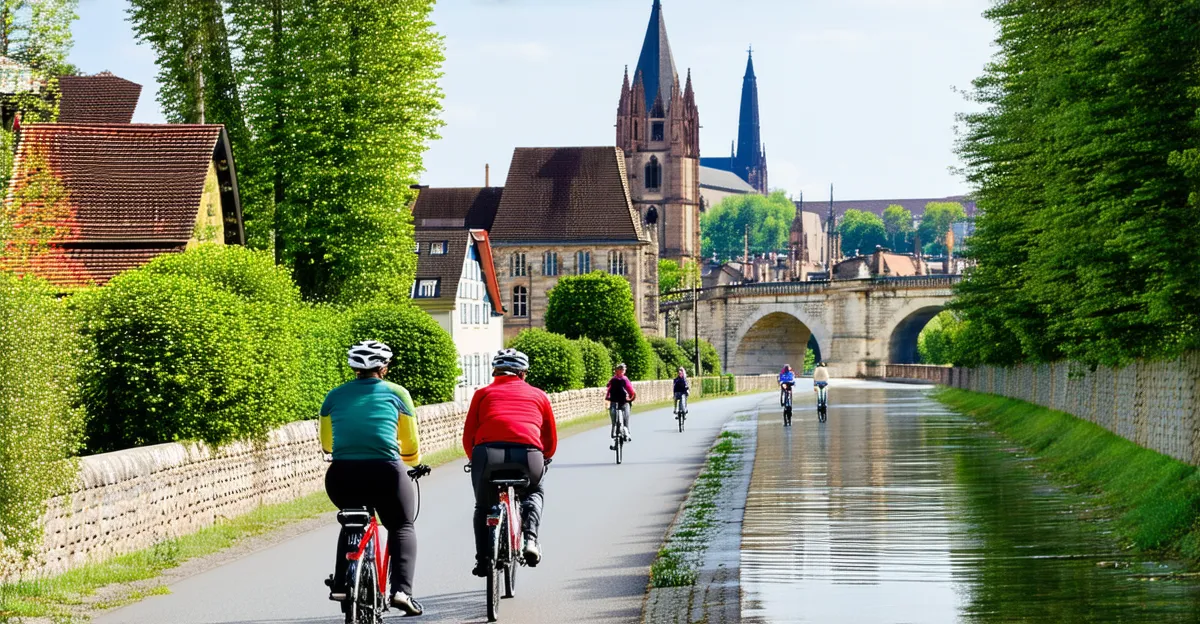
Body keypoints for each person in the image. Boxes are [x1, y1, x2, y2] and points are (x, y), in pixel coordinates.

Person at [320, 340, 427, 616]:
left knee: (352, 519)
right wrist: (412, 465)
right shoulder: (398, 393)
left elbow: (327, 444)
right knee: (401, 525)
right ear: (385, 368)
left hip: (342, 475)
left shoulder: (333, 396)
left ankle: (342, 584)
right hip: (386, 472)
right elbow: (410, 444)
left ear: (353, 368)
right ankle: (402, 591)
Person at [462, 349, 558, 578]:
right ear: (523, 373)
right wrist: (545, 458)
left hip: (487, 454)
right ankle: (531, 540)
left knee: (483, 507)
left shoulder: (482, 394)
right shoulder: (539, 395)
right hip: (528, 455)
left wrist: (472, 458)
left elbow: (469, 435)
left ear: (495, 371)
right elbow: (550, 438)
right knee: (534, 490)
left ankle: (484, 560)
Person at [606, 363, 637, 446]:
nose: (623, 370)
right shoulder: (623, 379)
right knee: (625, 416)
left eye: (623, 369)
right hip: (623, 401)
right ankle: (625, 431)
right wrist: (631, 397)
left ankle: (617, 430)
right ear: (617, 370)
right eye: (621, 369)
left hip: (616, 401)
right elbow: (630, 390)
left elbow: (608, 388)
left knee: (615, 415)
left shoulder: (614, 379)